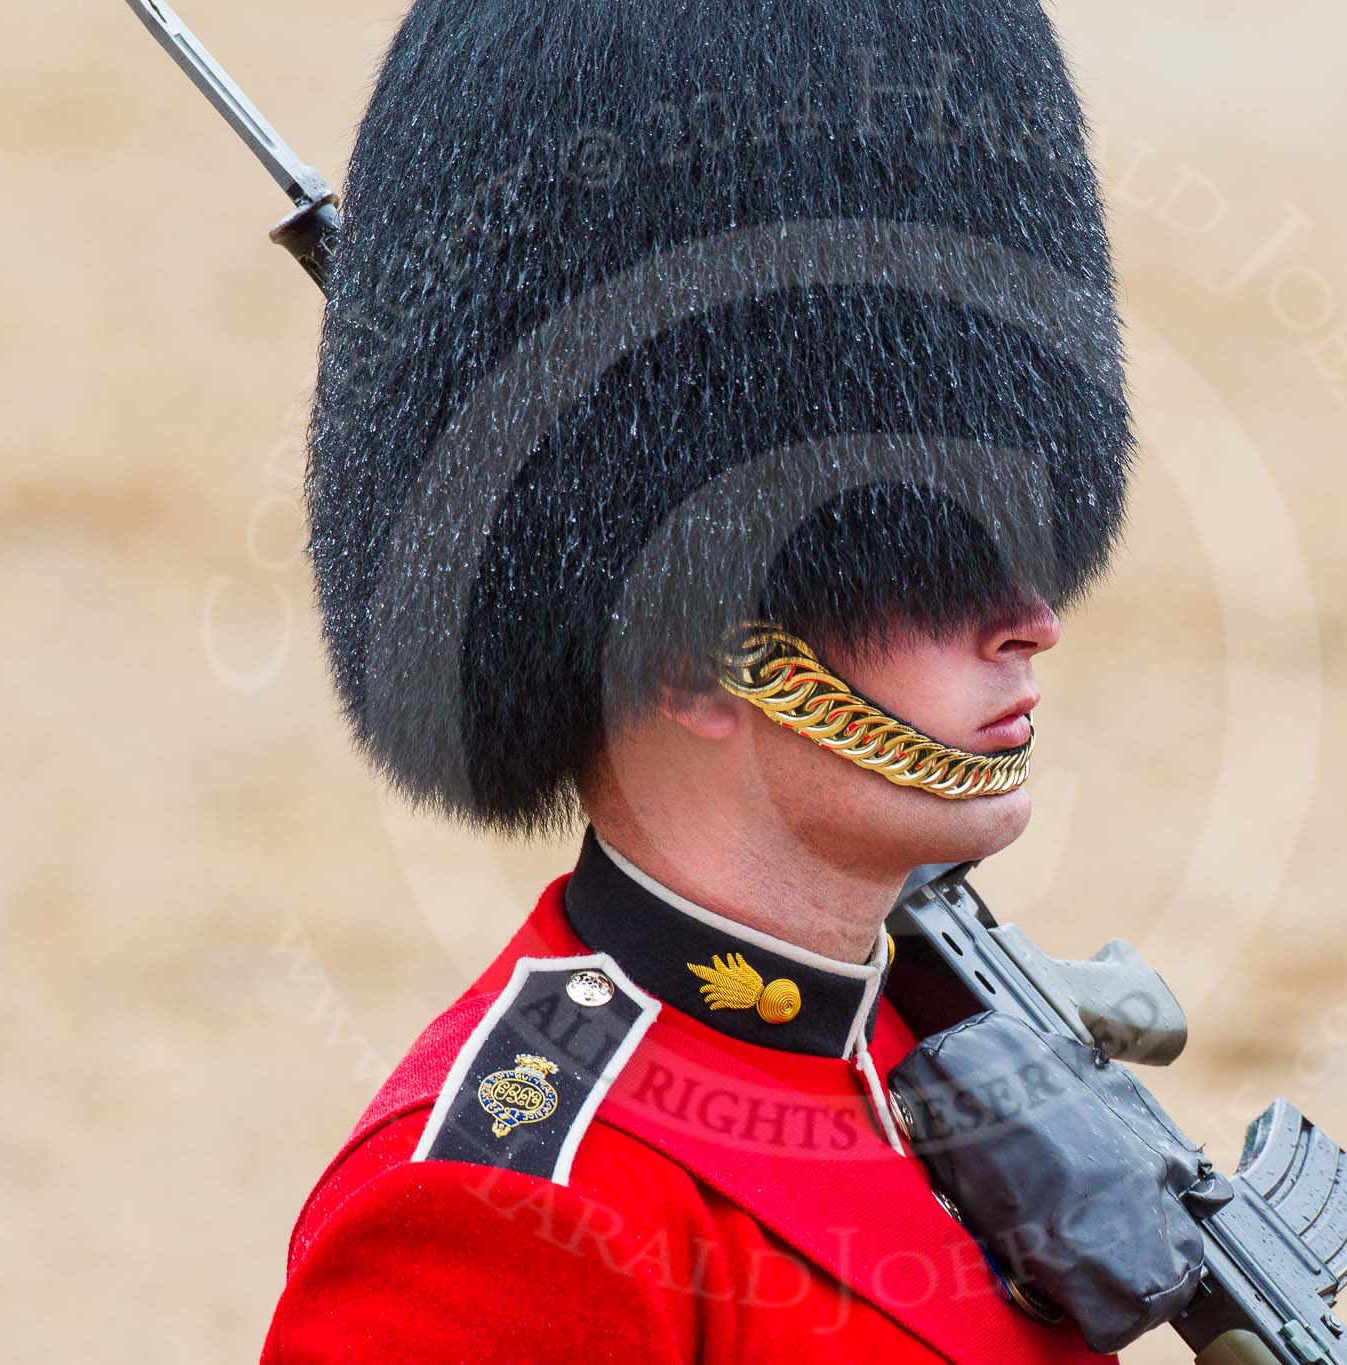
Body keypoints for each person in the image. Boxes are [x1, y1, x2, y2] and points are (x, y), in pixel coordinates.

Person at [262, 0, 1144, 1359]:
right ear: (689, 660)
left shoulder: (921, 1064)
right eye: (933, 568)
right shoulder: (509, 1215)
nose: (1034, 620)